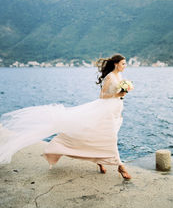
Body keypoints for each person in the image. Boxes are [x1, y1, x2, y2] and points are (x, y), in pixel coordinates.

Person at [0, 54, 132, 180]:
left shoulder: (119, 75)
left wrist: (122, 95)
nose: (125, 65)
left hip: (114, 111)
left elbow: (118, 96)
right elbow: (102, 96)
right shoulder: (109, 77)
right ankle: (120, 166)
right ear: (116, 64)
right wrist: (119, 94)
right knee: (111, 138)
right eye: (123, 63)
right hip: (104, 111)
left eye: (125, 63)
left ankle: (99, 162)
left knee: (97, 135)